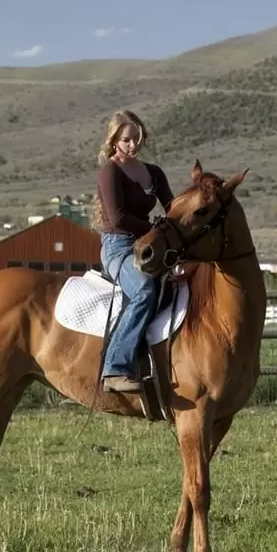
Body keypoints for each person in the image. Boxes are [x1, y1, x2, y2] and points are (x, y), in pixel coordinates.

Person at [90, 109, 174, 393]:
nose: (133, 145)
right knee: (144, 291)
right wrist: (154, 229)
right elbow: (118, 218)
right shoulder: (109, 171)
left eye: (137, 139)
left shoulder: (154, 173)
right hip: (119, 246)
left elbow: (172, 208)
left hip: (150, 244)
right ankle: (115, 368)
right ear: (115, 141)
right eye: (126, 140)